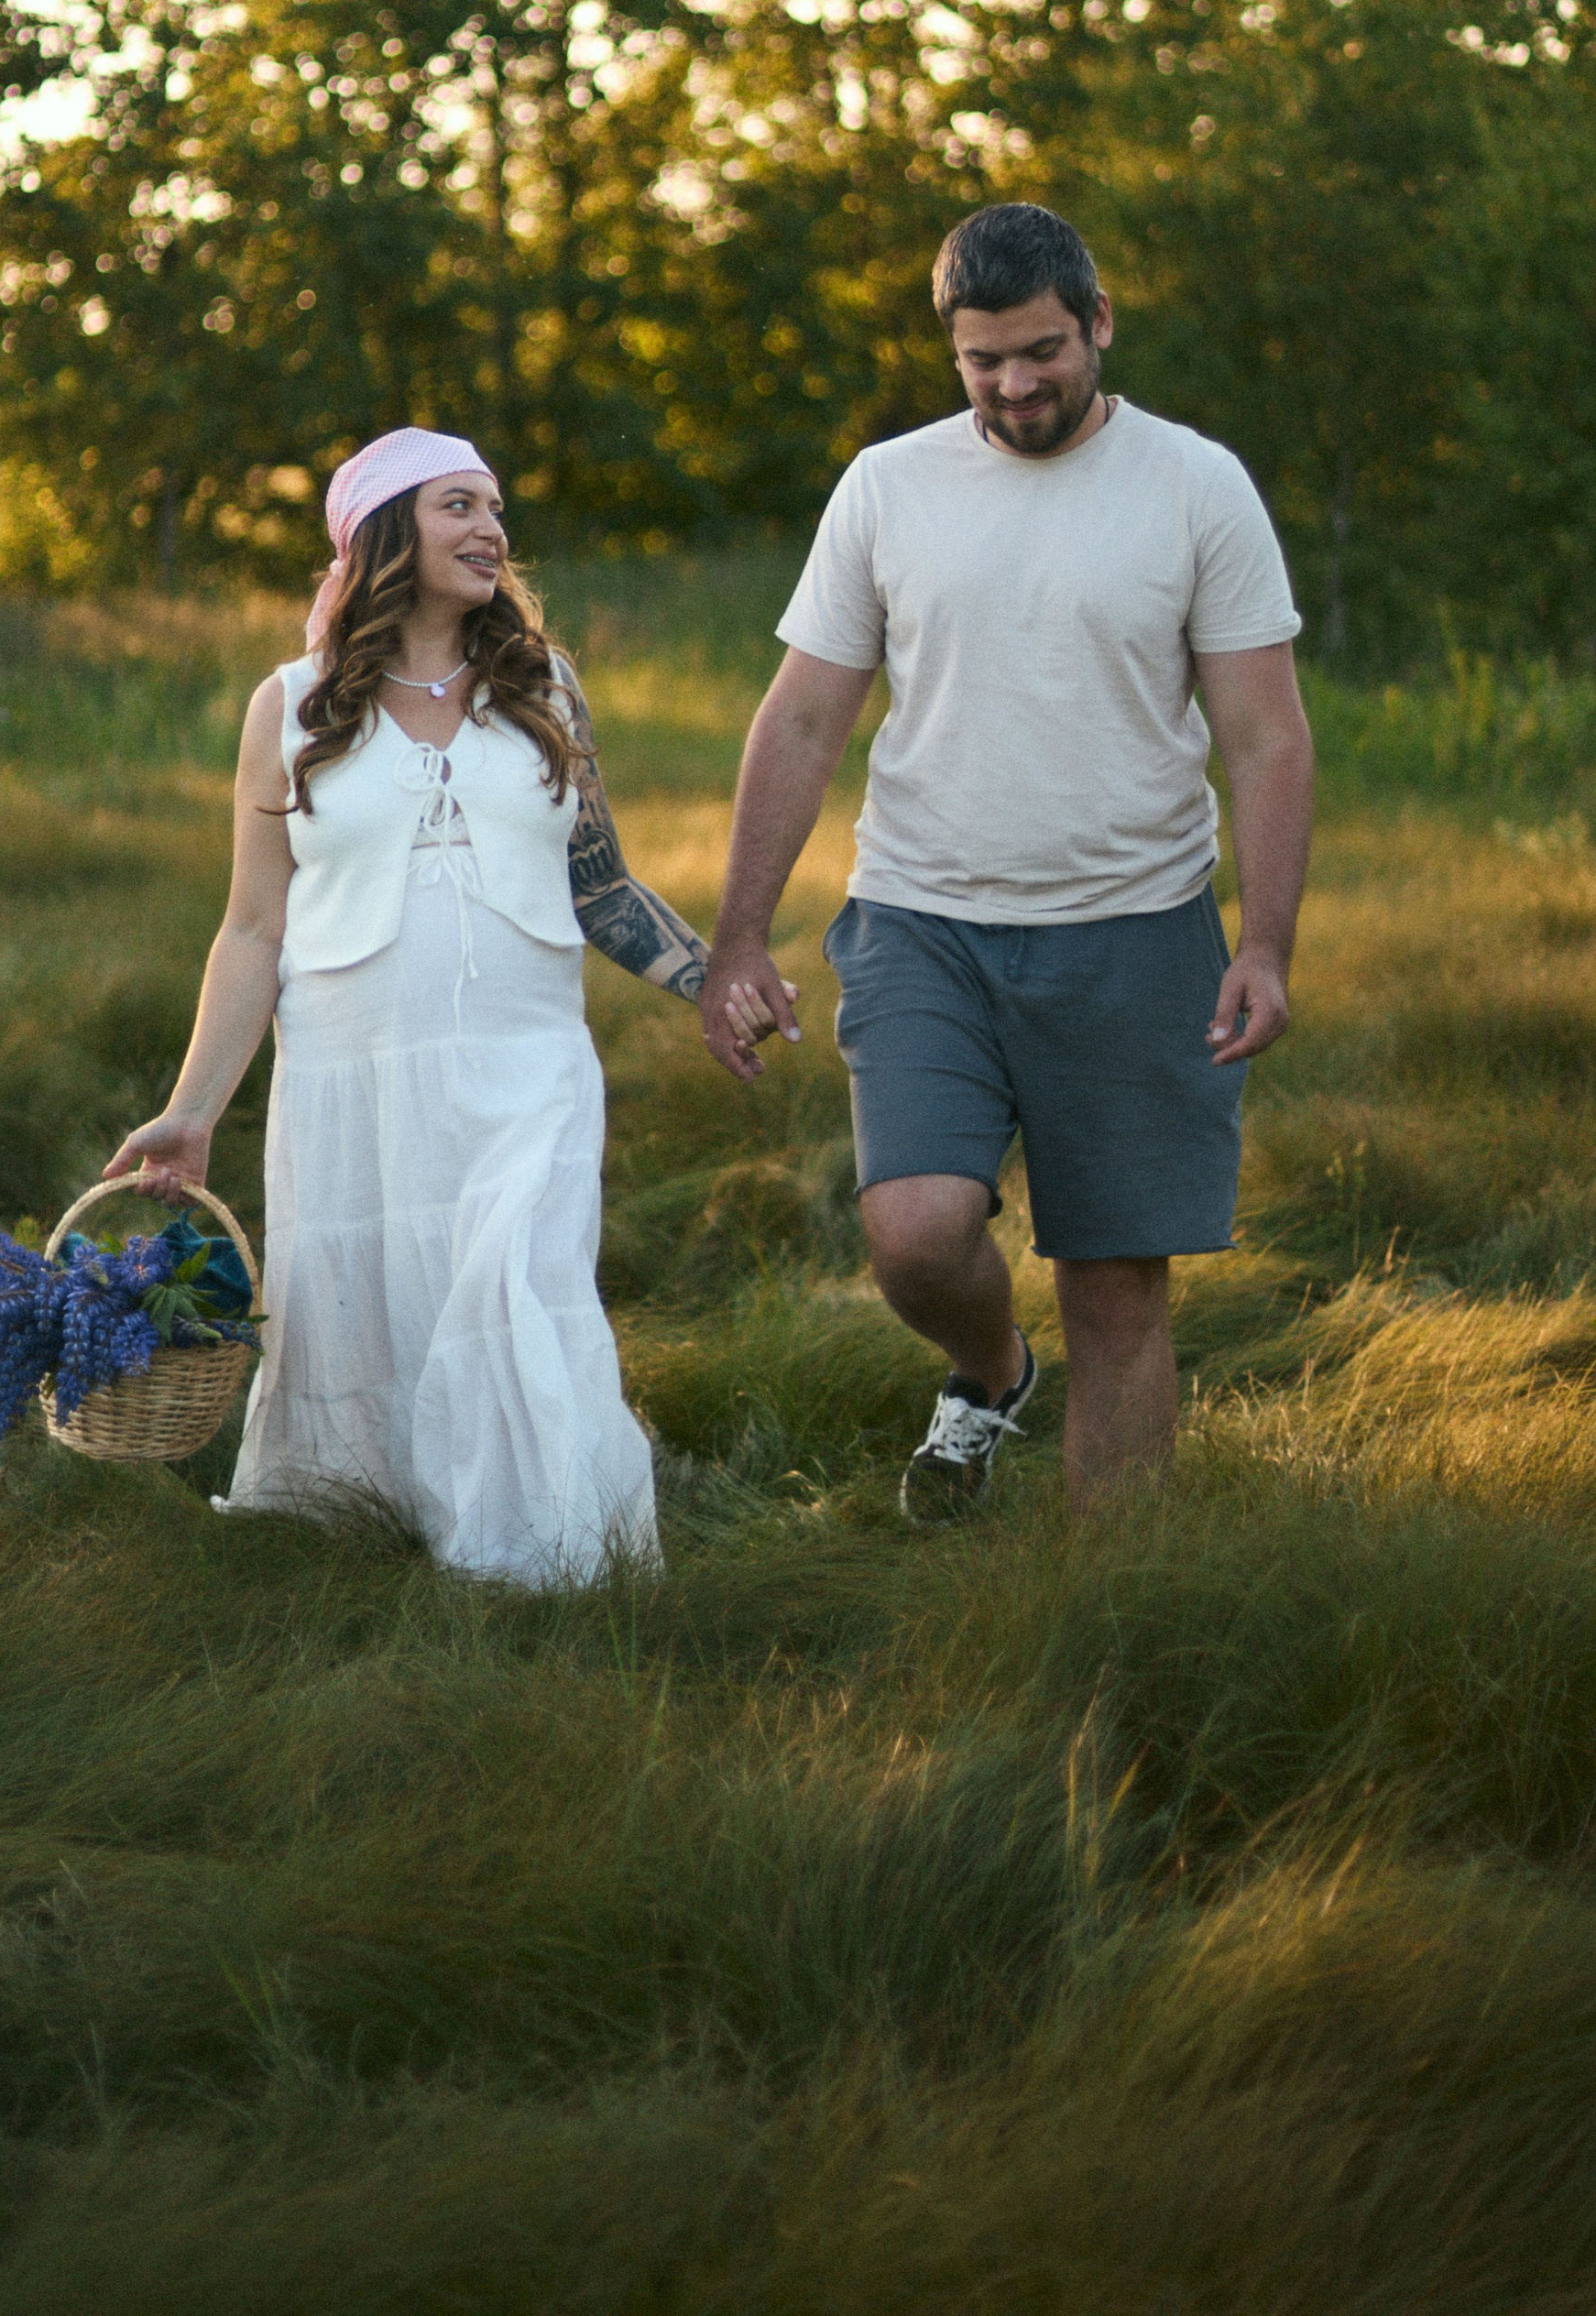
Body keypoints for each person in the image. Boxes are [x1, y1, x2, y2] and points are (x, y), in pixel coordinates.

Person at [697, 204, 1314, 1526]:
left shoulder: (1196, 486)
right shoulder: (886, 486)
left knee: (1116, 1289)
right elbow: (804, 718)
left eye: (1041, 351)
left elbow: (1265, 736)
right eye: (985, 361)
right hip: (926, 921)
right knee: (915, 1232)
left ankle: (1103, 1616)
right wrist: (738, 936)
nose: (1016, 384)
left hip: (1138, 933)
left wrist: (1263, 941)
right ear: (953, 349)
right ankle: (991, 1370)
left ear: (1097, 323)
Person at [109, 427, 723, 1585]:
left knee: (519, 1286)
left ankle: (541, 1569)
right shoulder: (289, 708)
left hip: (526, 1057)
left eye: (495, 508)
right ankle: (371, 1527)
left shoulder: (544, 687)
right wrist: (193, 1111)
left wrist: (716, 979)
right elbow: (252, 930)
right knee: (371, 1308)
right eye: (458, 506)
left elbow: (600, 884)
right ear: (386, 532)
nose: (491, 529)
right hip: (353, 1065)